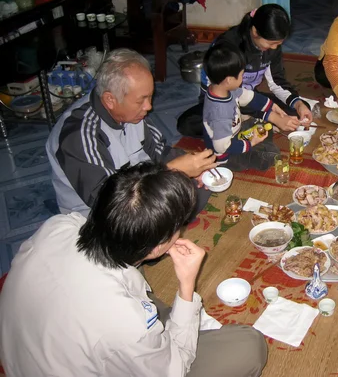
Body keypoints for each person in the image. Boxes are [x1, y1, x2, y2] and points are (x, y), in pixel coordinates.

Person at [0, 162, 268, 376]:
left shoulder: (59, 225)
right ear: (156, 247)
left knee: (158, 310)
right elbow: (174, 370)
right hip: (87, 348)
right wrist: (187, 286)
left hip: (26, 350)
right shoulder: (126, 322)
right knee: (248, 346)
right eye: (178, 227)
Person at [46, 49, 217, 218]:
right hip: (103, 214)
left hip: (138, 185)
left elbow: (160, 151)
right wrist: (171, 171)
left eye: (150, 97)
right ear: (110, 100)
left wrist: (194, 166)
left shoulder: (133, 114)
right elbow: (109, 202)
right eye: (140, 100)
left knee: (195, 188)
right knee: (165, 212)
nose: (148, 106)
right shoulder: (80, 135)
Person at [177, 4, 312, 137]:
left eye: (278, 44)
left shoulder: (272, 47)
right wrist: (272, 116)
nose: (275, 48)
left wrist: (298, 103)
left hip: (250, 96)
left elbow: (277, 81)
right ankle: (249, 121)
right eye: (271, 44)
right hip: (222, 101)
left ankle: (249, 120)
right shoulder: (228, 48)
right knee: (188, 124)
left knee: (297, 111)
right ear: (255, 32)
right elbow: (230, 94)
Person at [203, 41, 294, 170]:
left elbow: (247, 96)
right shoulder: (220, 114)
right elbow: (222, 147)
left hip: (234, 132)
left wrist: (271, 106)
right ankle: (258, 147)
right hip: (226, 155)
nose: (243, 78)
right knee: (271, 155)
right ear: (229, 80)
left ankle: (259, 142)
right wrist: (250, 143)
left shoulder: (222, 88)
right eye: (241, 75)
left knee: (263, 124)